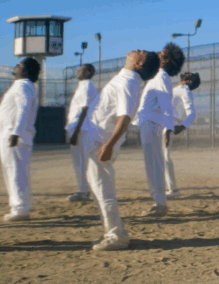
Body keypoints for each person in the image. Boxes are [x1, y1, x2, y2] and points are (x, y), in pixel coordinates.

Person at [78, 50, 160, 250]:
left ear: (139, 63)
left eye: (140, 52)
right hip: (97, 139)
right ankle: (113, 233)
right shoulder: (125, 78)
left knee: (103, 189)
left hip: (100, 143)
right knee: (99, 189)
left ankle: (117, 237)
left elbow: (125, 117)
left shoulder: (128, 82)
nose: (135, 50)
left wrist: (109, 144)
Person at [134, 42, 185, 217]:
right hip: (149, 123)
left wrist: (169, 130)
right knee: (153, 164)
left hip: (152, 124)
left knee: (153, 164)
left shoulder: (161, 77)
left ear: (164, 61)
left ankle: (160, 203)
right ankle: (159, 201)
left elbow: (166, 105)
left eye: (161, 53)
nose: (157, 53)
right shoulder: (157, 76)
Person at [0, 57, 40, 222]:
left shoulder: (23, 85)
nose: (16, 66)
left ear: (26, 71)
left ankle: (20, 209)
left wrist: (16, 132)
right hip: (12, 135)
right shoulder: (23, 85)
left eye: (20, 65)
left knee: (15, 172)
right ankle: (20, 206)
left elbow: (23, 107)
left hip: (13, 136)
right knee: (16, 172)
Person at [65, 64, 99, 202]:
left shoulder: (87, 86)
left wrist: (75, 132)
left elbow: (84, 109)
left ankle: (84, 190)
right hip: (78, 128)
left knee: (80, 161)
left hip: (81, 129)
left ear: (87, 73)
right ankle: (84, 189)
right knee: (79, 161)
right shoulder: (83, 85)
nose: (77, 72)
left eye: (81, 70)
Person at [165, 72, 200, 197]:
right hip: (162, 123)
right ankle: (170, 188)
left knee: (164, 157)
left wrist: (183, 126)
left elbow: (192, 113)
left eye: (190, 75)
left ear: (188, 81)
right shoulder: (177, 89)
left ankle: (173, 190)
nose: (186, 72)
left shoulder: (184, 91)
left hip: (168, 125)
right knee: (161, 157)